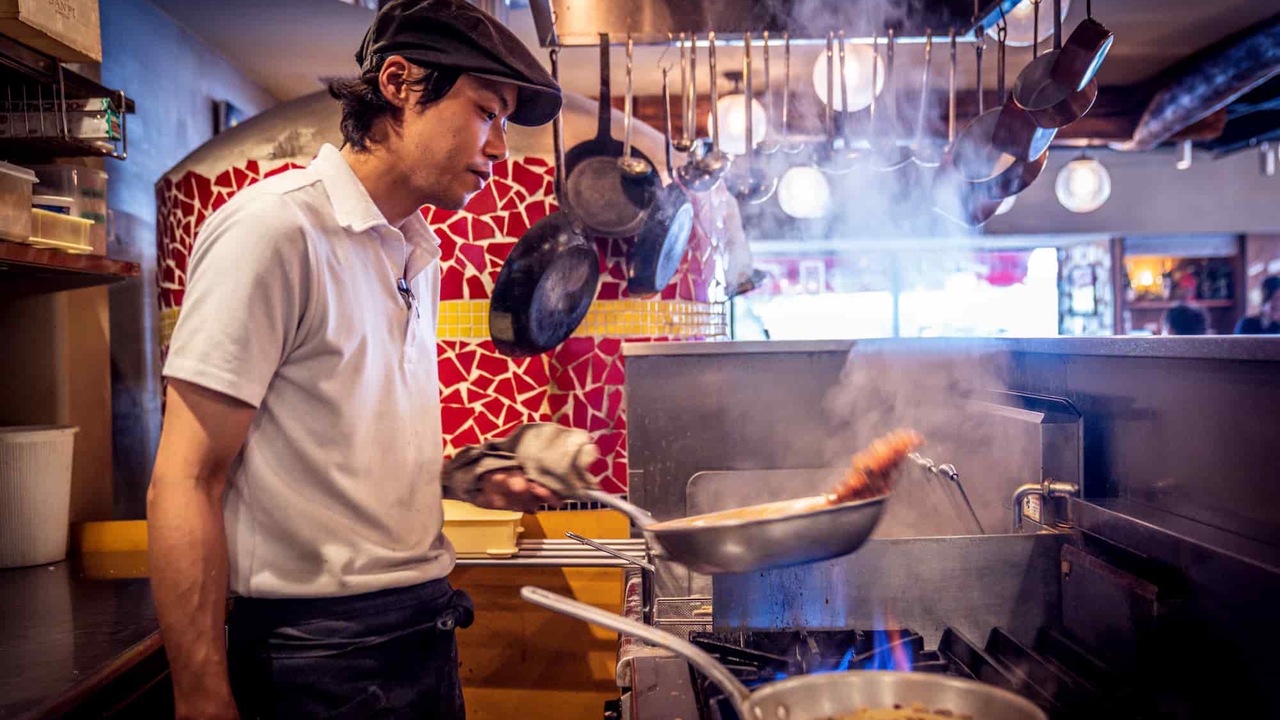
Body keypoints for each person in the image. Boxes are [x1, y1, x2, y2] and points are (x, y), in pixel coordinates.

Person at [146, 2, 563, 718]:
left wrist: (466, 475)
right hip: (313, 656)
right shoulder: (274, 230)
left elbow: (337, 451)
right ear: (399, 82)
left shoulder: (414, 249)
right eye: (486, 112)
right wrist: (201, 692)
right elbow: (186, 478)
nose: (498, 145)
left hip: (421, 632)